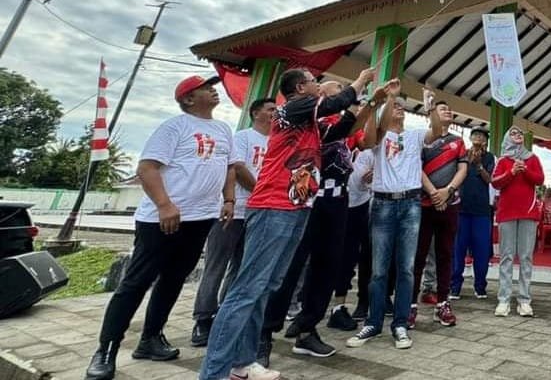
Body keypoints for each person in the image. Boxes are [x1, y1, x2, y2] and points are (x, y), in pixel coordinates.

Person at [198, 67, 379, 380]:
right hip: (273, 206)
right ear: (300, 87)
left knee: (266, 286)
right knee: (246, 290)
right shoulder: (290, 109)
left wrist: (366, 102)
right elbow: (334, 105)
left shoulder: (307, 122)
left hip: (297, 208)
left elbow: (341, 130)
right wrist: (359, 80)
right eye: (315, 83)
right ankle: (213, 371)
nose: (320, 87)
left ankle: (242, 363)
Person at [86, 76, 238, 380]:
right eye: (205, 88)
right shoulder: (174, 127)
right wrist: (165, 205)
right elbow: (147, 168)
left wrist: (229, 199)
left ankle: (151, 338)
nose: (213, 90)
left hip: (200, 218)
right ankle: (106, 349)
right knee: (136, 283)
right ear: (189, 99)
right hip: (162, 219)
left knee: (173, 279)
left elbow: (230, 167)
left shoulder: (223, 130)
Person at [263, 80, 368, 360]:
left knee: (326, 267)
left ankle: (307, 329)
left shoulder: (335, 119)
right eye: (337, 89)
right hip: (309, 200)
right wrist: (361, 84)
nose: (343, 92)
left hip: (338, 201)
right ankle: (264, 334)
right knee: (291, 267)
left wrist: (372, 102)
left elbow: (353, 129)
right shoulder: (305, 119)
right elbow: (336, 132)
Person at [191, 98, 275, 347]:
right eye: (270, 109)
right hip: (233, 210)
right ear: (256, 113)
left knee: (241, 268)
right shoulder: (243, 137)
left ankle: (226, 315)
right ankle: (203, 317)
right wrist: (260, 190)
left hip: (259, 213)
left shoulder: (275, 142)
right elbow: (236, 167)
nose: (274, 114)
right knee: (216, 265)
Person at [347, 87, 425, 350]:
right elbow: (368, 140)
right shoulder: (380, 136)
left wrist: (430, 105)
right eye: (395, 106)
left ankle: (400, 324)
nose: (399, 108)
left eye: (403, 106)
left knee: (405, 268)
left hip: (410, 203)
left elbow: (435, 130)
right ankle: (373, 321)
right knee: (379, 270)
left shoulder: (415, 135)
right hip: (382, 204)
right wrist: (385, 99)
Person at [409, 99, 468, 328]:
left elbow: (462, 168)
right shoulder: (423, 139)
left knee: (446, 255)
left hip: (450, 205)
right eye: (443, 108)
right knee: (418, 256)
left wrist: (448, 191)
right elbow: (417, 167)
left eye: (450, 108)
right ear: (432, 113)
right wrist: (434, 193)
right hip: (424, 204)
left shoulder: (458, 141)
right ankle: (410, 305)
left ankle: (443, 303)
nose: (449, 111)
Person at [490, 126, 544, 317]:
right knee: (506, 256)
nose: (517, 135)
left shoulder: (532, 158)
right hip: (507, 213)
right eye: (513, 133)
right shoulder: (503, 160)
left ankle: (524, 300)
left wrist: (526, 170)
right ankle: (503, 299)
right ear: (507, 138)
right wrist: (512, 171)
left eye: (520, 133)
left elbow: (540, 179)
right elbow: (495, 182)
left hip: (528, 212)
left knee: (526, 256)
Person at [328, 147, 374, 329]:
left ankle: (359, 303)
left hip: (363, 206)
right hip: (336, 204)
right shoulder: (343, 146)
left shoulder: (372, 150)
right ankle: (332, 307)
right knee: (336, 258)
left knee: (363, 257)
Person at [451, 128, 495, 300]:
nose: (478, 138)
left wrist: (478, 165)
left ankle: (480, 286)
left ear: (485, 141)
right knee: (458, 249)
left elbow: (489, 179)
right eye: (475, 135)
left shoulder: (490, 157)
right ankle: (454, 286)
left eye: (482, 136)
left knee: (481, 251)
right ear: (470, 138)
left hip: (482, 211)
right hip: (461, 209)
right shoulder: (462, 154)